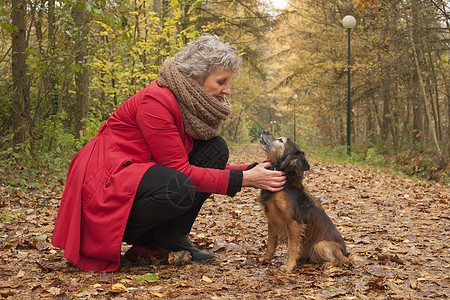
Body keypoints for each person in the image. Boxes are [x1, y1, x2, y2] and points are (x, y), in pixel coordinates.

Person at [52, 34, 286, 272]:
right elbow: (181, 172)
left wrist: (249, 171)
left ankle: (169, 240)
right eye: (221, 81)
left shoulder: (185, 102)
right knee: (179, 187)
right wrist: (243, 179)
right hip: (106, 176)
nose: (227, 90)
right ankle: (116, 238)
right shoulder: (156, 102)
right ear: (195, 77)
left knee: (214, 149)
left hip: (136, 169)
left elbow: (189, 165)